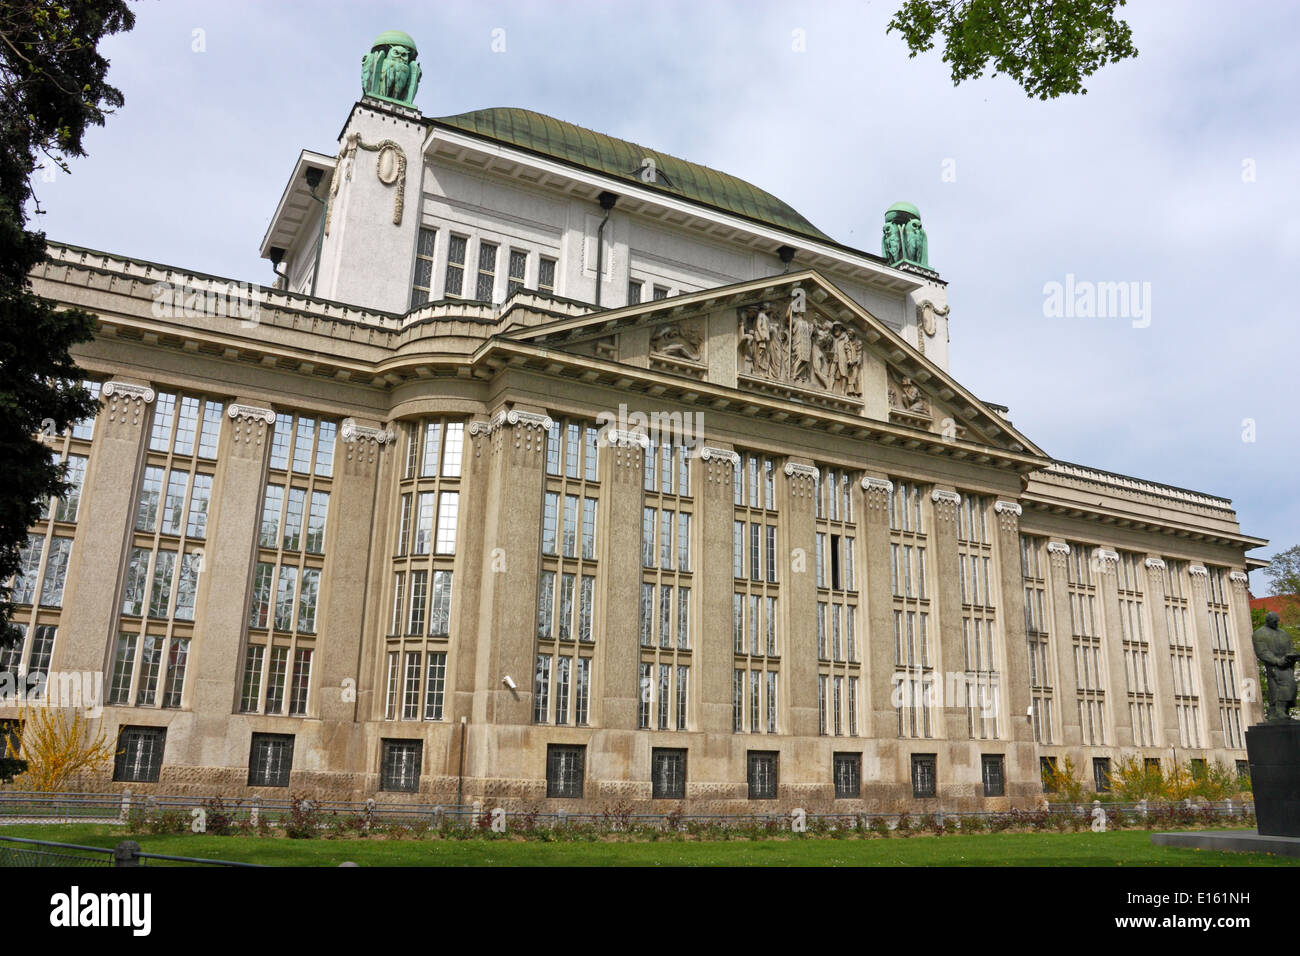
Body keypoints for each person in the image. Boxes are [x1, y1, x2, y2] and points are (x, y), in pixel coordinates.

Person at [1252, 611, 1300, 722]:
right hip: (1273, 665)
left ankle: (1282, 710)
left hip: (1287, 665)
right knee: (1282, 686)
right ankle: (1278, 710)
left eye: (1277, 621)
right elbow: (1262, 652)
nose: (1276, 624)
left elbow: (1290, 648)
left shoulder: (1283, 633)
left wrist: (1293, 655)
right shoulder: (1259, 634)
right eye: (1274, 622)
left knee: (1292, 686)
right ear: (1268, 621)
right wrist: (1277, 661)